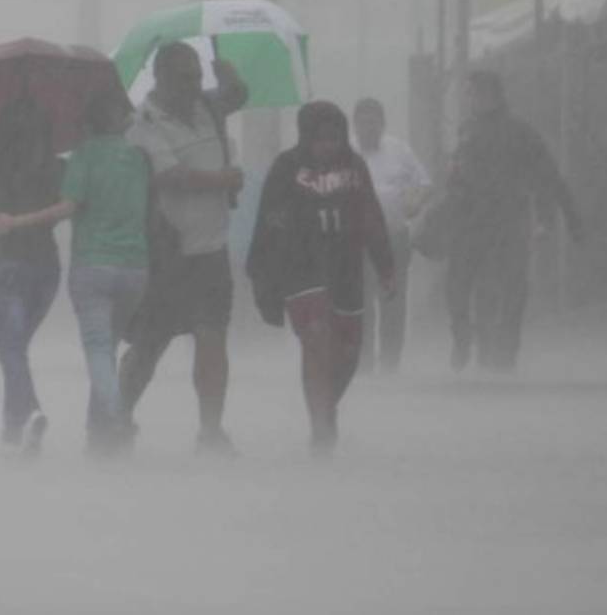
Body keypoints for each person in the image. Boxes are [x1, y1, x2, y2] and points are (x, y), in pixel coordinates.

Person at [0, 90, 149, 458]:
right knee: (107, 347)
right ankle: (100, 430)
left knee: (96, 348)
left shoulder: (85, 156)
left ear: (87, 125)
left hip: (93, 265)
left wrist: (16, 221)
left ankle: (114, 414)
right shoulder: (139, 159)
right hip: (136, 267)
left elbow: (66, 207)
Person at [119, 43, 248, 455]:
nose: (194, 86)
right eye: (184, 78)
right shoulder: (142, 122)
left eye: (197, 77)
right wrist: (224, 180)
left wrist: (227, 72)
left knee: (212, 338)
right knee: (149, 345)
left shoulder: (206, 108)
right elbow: (170, 176)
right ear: (161, 78)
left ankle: (211, 430)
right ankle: (118, 415)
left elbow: (238, 95)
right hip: (167, 255)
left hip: (212, 250)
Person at [246, 101, 395, 457]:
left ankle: (325, 409)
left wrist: (386, 267)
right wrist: (263, 276)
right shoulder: (287, 167)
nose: (327, 145)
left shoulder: (355, 167)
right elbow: (268, 220)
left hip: (346, 268)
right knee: (316, 339)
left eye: (334, 137)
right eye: (320, 138)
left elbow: (371, 216)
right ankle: (321, 429)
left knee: (347, 353)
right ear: (306, 137)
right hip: (301, 267)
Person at [445, 70, 583, 374]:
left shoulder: (520, 132)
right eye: (470, 93)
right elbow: (455, 179)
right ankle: (467, 339)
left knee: (512, 289)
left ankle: (504, 355)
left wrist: (565, 217)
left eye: (478, 93)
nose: (473, 99)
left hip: (509, 223)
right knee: (460, 286)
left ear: (494, 95)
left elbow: (548, 176)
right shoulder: (465, 132)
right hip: (471, 223)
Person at [0, 96, 65, 456]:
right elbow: (67, 208)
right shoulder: (56, 166)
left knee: (11, 350)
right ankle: (12, 425)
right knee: (16, 348)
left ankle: (31, 411)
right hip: (45, 268)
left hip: (6, 266)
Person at [351, 98, 432, 374]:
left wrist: (415, 201)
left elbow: (423, 183)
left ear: (382, 124)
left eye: (372, 123)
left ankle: (389, 365)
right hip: (356, 242)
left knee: (392, 303)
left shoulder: (399, 150)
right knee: (360, 304)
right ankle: (362, 366)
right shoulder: (342, 153)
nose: (367, 129)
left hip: (393, 238)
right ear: (354, 125)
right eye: (362, 123)